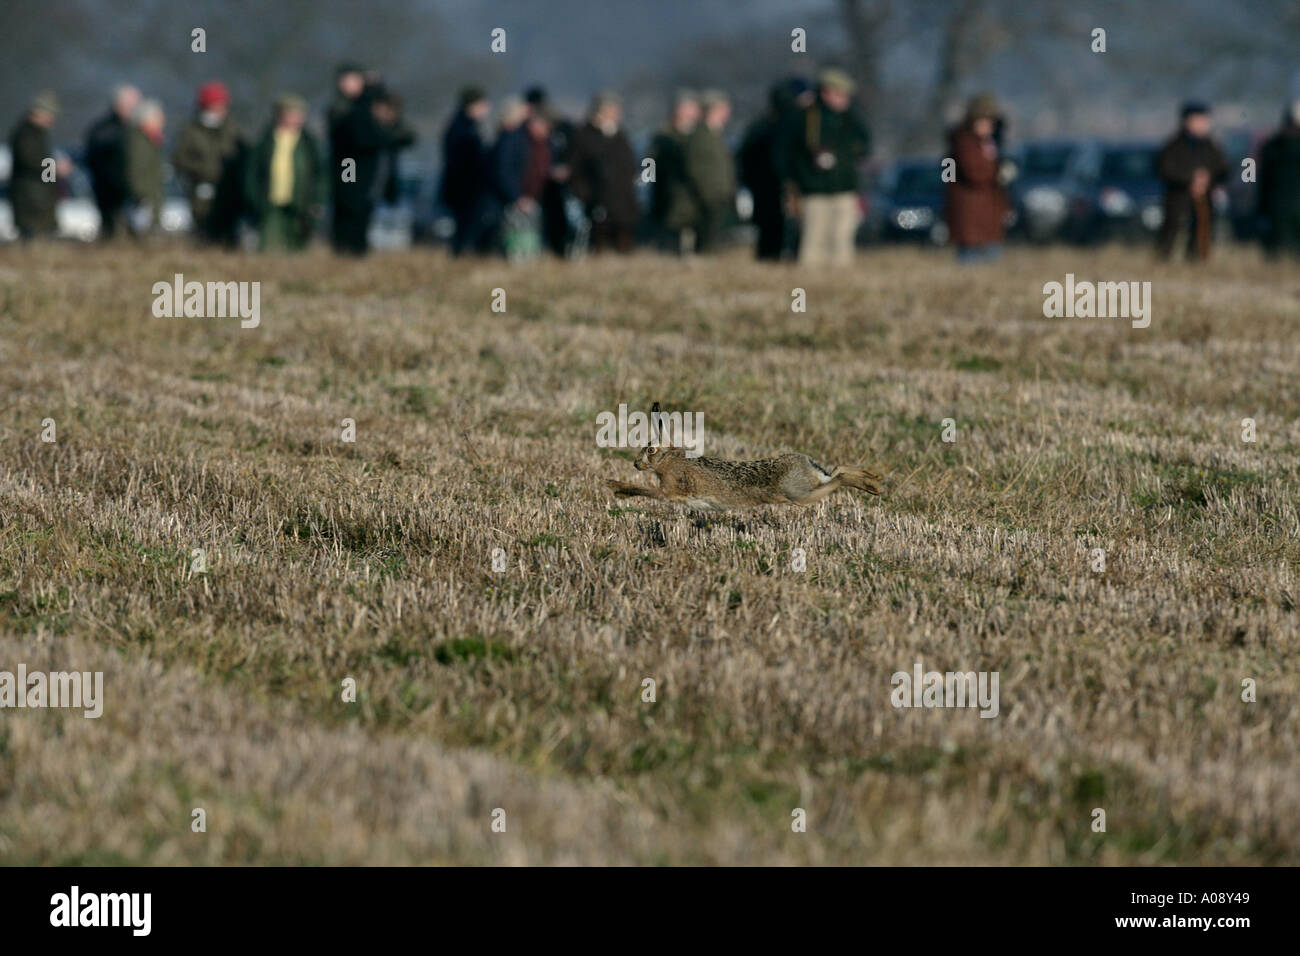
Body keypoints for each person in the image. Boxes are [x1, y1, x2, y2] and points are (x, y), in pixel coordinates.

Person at [777, 68, 870, 266]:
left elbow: (865, 147)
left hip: (844, 188)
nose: (844, 99)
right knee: (813, 239)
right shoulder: (803, 118)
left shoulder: (851, 119)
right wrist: (793, 181)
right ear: (826, 92)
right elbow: (784, 153)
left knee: (842, 239)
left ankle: (841, 282)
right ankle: (812, 284)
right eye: (839, 94)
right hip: (812, 189)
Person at [329, 65, 415, 256]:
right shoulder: (347, 107)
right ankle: (346, 251)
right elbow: (360, 138)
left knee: (359, 208)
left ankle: (351, 251)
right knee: (350, 206)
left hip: (360, 167)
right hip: (348, 164)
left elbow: (402, 130)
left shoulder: (362, 105)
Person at [244, 94, 322, 251]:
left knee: (297, 246)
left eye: (298, 115)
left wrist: (318, 199)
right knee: (269, 244)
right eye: (290, 114)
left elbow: (321, 174)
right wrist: (252, 197)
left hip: (300, 202)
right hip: (269, 202)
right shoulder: (264, 140)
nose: (294, 119)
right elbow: (251, 172)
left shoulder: (310, 143)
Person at [567, 91, 639, 253]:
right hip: (596, 203)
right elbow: (575, 170)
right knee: (598, 248)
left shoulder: (620, 136)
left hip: (623, 203)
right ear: (600, 111)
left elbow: (629, 166)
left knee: (624, 246)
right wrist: (586, 196)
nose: (617, 114)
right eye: (613, 110)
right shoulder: (583, 135)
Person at [173, 81, 244, 245]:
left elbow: (242, 156)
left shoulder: (232, 130)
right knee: (203, 231)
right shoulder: (190, 131)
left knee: (228, 232)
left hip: (228, 191)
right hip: (201, 191)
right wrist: (203, 170)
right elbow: (179, 159)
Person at [1156, 101, 1228, 261]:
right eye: (1199, 120)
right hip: (1178, 198)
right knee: (1171, 232)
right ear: (1187, 121)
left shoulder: (1211, 146)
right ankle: (1163, 262)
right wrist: (1190, 179)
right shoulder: (1173, 146)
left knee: (1201, 233)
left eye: (1205, 120)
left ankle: (1197, 262)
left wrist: (1208, 178)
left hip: (1204, 199)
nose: (1203, 124)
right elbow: (1165, 169)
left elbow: (1223, 169)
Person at [945, 93, 1011, 264]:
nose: (989, 125)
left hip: (986, 216)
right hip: (971, 216)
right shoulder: (964, 143)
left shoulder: (987, 142)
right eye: (984, 120)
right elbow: (974, 173)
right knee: (972, 264)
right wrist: (998, 170)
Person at [740, 79, 802, 260]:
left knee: (767, 232)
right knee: (787, 229)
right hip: (780, 187)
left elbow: (744, 159)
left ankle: (768, 259)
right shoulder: (790, 126)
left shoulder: (758, 127)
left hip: (761, 189)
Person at [440, 86, 493, 255]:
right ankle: (461, 257)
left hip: (464, 187)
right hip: (466, 188)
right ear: (473, 105)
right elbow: (464, 161)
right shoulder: (464, 128)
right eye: (483, 105)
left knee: (465, 228)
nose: (487, 109)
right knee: (466, 229)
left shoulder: (461, 125)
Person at [8, 91, 68, 240]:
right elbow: (31, 161)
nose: (52, 120)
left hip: (42, 198)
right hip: (30, 200)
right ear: (39, 112)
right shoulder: (25, 134)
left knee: (45, 238)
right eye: (50, 115)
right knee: (32, 238)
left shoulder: (40, 134)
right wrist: (56, 167)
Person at [648, 90, 701, 253]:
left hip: (694, 193)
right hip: (669, 192)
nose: (692, 113)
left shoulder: (698, 134)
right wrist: (650, 182)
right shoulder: (663, 134)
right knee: (671, 235)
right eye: (688, 108)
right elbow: (649, 162)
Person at [84, 84, 140, 239]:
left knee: (131, 232)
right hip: (110, 190)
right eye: (133, 105)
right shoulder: (105, 131)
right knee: (112, 230)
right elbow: (95, 161)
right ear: (120, 105)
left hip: (128, 189)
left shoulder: (133, 130)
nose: (135, 109)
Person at [525, 86, 574, 256]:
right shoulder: (562, 126)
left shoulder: (560, 129)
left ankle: (559, 251)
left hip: (556, 186)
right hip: (545, 185)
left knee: (557, 223)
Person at [685, 90, 735, 252]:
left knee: (716, 240)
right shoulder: (700, 135)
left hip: (719, 195)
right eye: (724, 109)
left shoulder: (716, 133)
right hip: (708, 197)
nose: (728, 113)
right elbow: (695, 168)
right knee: (707, 242)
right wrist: (707, 193)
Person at [1259, 100, 1300, 259]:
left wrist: (1261, 210)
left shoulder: (1272, 146)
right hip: (1281, 208)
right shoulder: (1272, 147)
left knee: (1278, 254)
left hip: (1277, 208)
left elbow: (1263, 182)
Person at [126, 99, 166, 235]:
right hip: (143, 200)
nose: (162, 122)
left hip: (148, 198)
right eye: (158, 118)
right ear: (147, 120)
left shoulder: (150, 141)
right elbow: (136, 171)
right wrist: (142, 197)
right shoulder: (139, 143)